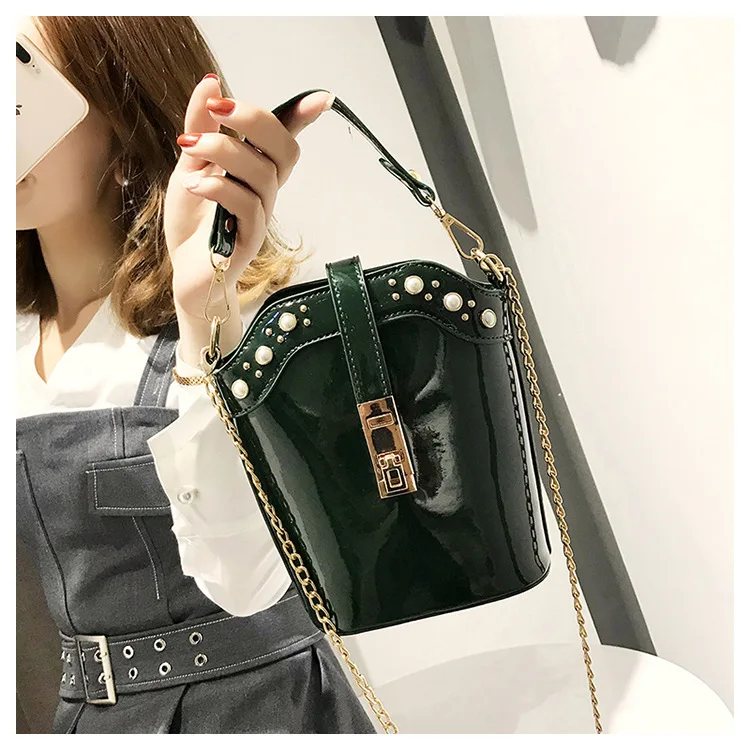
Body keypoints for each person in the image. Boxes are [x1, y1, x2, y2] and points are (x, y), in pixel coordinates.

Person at [16, 15, 376, 734]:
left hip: (259, 712)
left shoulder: (238, 321)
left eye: (20, 81)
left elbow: (251, 584)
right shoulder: (20, 343)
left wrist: (204, 312)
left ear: (122, 115)